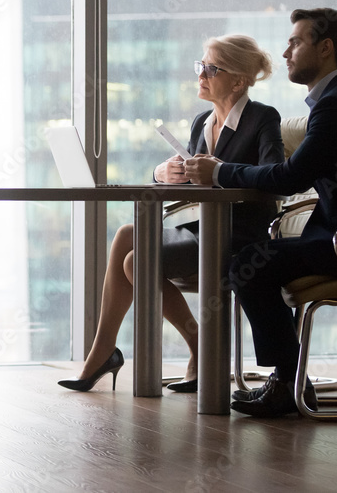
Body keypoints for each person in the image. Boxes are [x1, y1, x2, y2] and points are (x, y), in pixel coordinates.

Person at [185, 8, 337, 417]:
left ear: (326, 48)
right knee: (253, 262)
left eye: (296, 42)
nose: (285, 52)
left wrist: (220, 170)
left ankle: (288, 381)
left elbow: (291, 177)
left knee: (250, 264)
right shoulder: (336, 101)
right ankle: (291, 379)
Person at [59, 35, 284, 393]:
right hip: (197, 227)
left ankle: (197, 346)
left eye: (211, 69)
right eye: (201, 66)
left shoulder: (262, 119)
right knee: (126, 235)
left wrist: (219, 169)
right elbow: (193, 184)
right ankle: (102, 351)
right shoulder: (201, 123)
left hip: (238, 235)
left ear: (239, 81)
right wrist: (162, 174)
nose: (201, 76)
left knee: (136, 262)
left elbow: (274, 176)